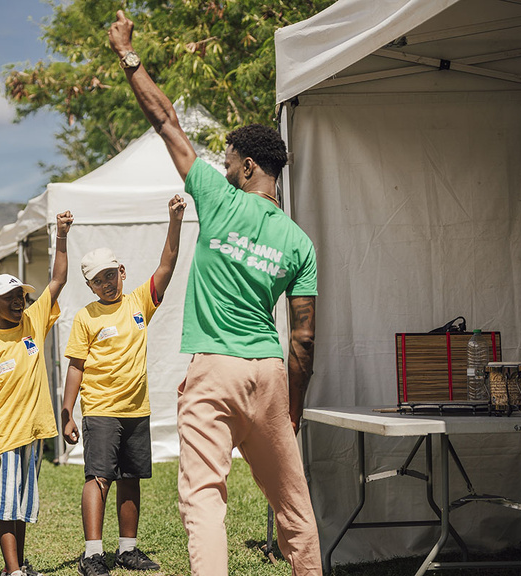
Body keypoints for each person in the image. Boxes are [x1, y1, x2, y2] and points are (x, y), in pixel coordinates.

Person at [108, 11, 320, 576]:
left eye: (227, 161)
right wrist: (292, 407)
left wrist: (129, 55)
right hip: (270, 376)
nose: (221, 168)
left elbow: (165, 119)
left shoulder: (218, 199)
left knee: (204, 497)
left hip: (215, 371)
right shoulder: (300, 243)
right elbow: (303, 338)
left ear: (248, 165)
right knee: (293, 505)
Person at [61, 196, 185, 576]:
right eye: (98, 280)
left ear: (122, 271)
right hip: (99, 409)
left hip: (137, 409)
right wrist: (67, 413)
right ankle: (92, 555)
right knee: (98, 477)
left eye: (110, 275)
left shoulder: (139, 302)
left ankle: (127, 551)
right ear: (89, 284)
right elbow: (76, 367)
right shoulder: (86, 317)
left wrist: (174, 220)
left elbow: (168, 263)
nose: (106, 283)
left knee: (131, 479)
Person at [0, 211, 73, 576]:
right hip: (3, 436)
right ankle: (12, 571)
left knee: (23, 505)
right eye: (9, 297)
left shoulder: (32, 322)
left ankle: (20, 566)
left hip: (32, 433)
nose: (18, 301)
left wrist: (61, 234)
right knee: (4, 506)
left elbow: (58, 279)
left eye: (20, 296)